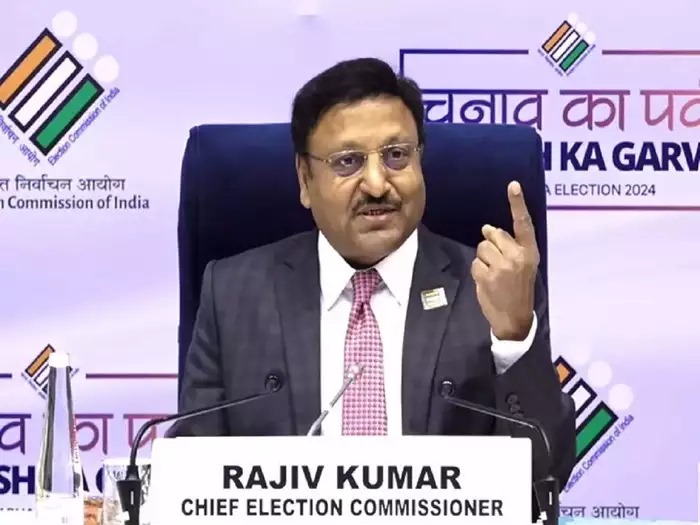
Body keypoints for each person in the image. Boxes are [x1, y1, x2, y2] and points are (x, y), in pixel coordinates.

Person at [174, 57, 575, 490]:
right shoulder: (232, 295)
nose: (377, 184)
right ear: (305, 180)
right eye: (347, 162)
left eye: (396, 155)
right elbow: (192, 483)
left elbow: (544, 477)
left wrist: (514, 337)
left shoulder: (491, 288)